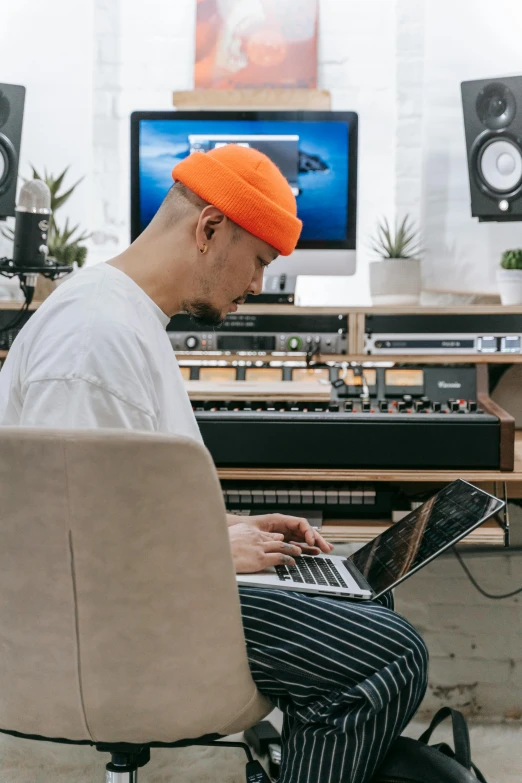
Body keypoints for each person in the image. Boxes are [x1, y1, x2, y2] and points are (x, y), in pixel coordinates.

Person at [0, 144, 428, 783]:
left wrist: (226, 532)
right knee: (386, 654)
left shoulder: (120, 316)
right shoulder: (93, 335)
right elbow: (74, 559)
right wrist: (208, 555)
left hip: (140, 597)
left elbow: (111, 512)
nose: (258, 286)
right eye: (257, 261)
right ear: (209, 229)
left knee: (370, 604)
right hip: (103, 631)